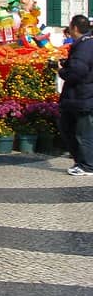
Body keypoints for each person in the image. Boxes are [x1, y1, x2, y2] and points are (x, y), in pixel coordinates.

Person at [56, 14, 93, 176]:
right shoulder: (88, 43)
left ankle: (87, 165)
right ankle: (83, 162)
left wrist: (61, 70)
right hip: (81, 96)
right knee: (70, 127)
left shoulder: (83, 46)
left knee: (81, 132)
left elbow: (78, 72)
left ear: (75, 28)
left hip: (81, 96)